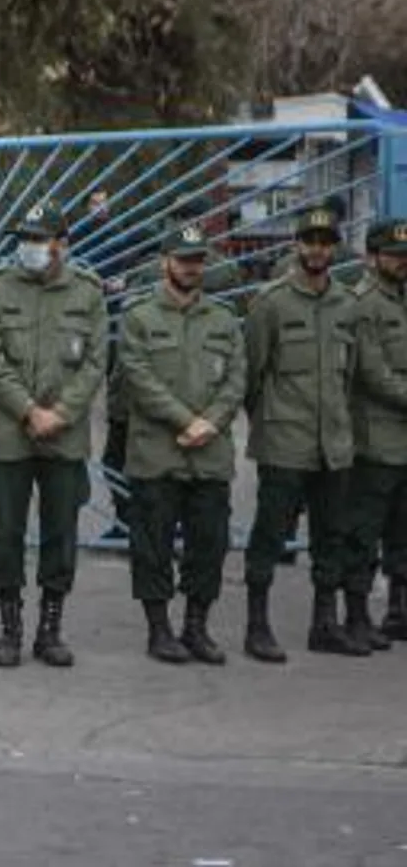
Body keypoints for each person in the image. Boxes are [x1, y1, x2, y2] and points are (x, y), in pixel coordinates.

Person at [0, 201, 107, 668]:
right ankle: (10, 628)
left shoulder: (88, 294)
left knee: (61, 533)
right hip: (8, 433)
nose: (28, 248)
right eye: (24, 239)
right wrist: (29, 411)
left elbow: (95, 362)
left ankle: (51, 628)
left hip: (63, 436)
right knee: (6, 533)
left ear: (62, 244)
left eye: (38, 239)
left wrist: (62, 412)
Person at [241, 202, 364, 662]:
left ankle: (324, 623)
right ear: (296, 246)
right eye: (309, 242)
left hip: (333, 443)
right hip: (284, 443)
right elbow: (251, 376)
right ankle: (257, 625)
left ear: (335, 248)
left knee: (332, 534)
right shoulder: (271, 303)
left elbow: (348, 377)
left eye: (325, 242)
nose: (317, 250)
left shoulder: (347, 305)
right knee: (269, 536)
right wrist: (269, 423)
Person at [118, 224, 246, 664]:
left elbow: (237, 377)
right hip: (158, 452)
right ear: (165, 263)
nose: (192, 268)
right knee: (151, 545)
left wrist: (210, 421)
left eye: (198, 261)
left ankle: (196, 626)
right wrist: (185, 419)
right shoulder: (139, 317)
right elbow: (137, 377)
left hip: (209, 452)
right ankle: (159, 629)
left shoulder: (223, 319)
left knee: (209, 543)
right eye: (184, 260)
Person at [344, 218, 407, 650]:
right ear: (372, 257)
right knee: (364, 530)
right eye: (393, 256)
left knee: (403, 530)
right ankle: (357, 615)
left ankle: (398, 610)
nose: (402, 263)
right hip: (376, 437)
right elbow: (372, 372)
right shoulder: (362, 303)